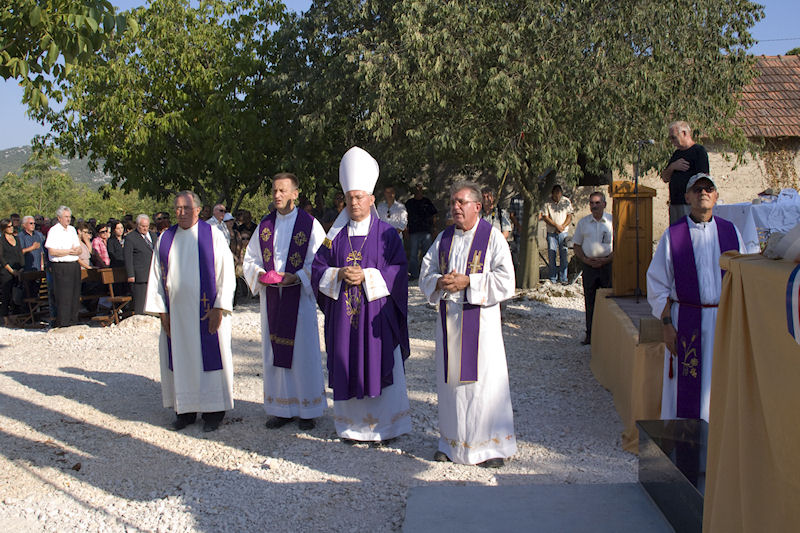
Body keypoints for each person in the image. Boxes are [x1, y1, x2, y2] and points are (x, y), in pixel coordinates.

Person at [311, 146, 412, 443]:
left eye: (359, 197)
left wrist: (367, 275)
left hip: (377, 320)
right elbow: (317, 269)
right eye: (349, 198)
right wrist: (339, 274)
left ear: (371, 199)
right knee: (346, 361)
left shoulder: (387, 234)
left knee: (380, 362)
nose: (354, 203)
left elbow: (399, 271)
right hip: (344, 321)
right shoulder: (333, 238)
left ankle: (386, 428)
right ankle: (351, 428)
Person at [419, 181, 517, 467]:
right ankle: (451, 443)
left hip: (481, 325)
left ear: (477, 206)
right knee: (452, 386)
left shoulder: (493, 237)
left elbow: (507, 281)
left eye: (461, 202)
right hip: (450, 322)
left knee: (484, 385)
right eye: (453, 202)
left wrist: (469, 282)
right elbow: (426, 272)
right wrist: (439, 281)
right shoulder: (444, 238)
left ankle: (489, 448)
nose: (455, 207)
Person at [646, 173, 745, 421]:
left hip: (724, 320)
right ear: (688, 197)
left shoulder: (731, 232)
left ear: (716, 196)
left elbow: (744, 280)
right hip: (687, 320)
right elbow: (658, 285)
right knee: (686, 382)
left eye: (708, 188)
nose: (703, 192)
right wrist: (667, 325)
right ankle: (685, 436)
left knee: (722, 379)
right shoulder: (674, 235)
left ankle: (718, 435)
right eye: (697, 189)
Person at [145, 191, 236, 432]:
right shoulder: (165, 238)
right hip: (176, 315)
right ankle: (184, 411)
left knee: (210, 361)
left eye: (186, 208)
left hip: (207, 313)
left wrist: (219, 306)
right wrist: (162, 312)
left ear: (198, 210)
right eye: (177, 208)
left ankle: (213, 412)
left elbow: (226, 273)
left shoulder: (213, 236)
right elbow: (156, 277)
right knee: (181, 360)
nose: (181, 212)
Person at [243, 172, 327, 430]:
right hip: (273, 298)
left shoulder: (310, 225)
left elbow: (321, 261)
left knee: (302, 353)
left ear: (295, 194)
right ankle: (281, 408)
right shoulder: (265, 225)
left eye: (282, 190)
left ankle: (307, 409)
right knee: (274, 352)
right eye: (274, 191)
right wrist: (260, 274)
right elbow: (250, 259)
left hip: (298, 298)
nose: (277, 195)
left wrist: (298, 277)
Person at [572, 192, 613, 345]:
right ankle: (590, 334)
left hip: (607, 266)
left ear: (604, 204)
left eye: (597, 203)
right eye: (591, 203)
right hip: (589, 267)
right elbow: (577, 245)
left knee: (608, 302)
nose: (594, 206)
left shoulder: (612, 222)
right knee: (590, 301)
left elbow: (620, 245)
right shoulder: (583, 223)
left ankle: (607, 335)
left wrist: (606, 260)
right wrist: (585, 260)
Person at [661, 121, 710, 224]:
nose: (672, 141)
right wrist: (672, 167)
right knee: (676, 232)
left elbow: (703, 179)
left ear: (684, 133)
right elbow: (665, 177)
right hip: (675, 203)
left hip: (690, 205)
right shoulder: (676, 154)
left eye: (673, 137)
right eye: (670, 138)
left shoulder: (698, 151)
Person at [44, 206, 82, 327]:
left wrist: (75, 251)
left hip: (74, 264)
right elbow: (52, 251)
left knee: (74, 294)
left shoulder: (72, 230)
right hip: (61, 266)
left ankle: (73, 320)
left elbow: (79, 248)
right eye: (65, 217)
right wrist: (68, 251)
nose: (68, 219)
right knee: (63, 295)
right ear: (59, 218)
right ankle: (63, 322)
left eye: (69, 217)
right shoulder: (54, 231)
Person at [540, 184, 573, 284]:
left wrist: (562, 226)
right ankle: (553, 278)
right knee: (552, 254)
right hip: (551, 232)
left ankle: (563, 278)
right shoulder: (547, 203)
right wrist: (555, 226)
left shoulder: (566, 201)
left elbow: (569, 216)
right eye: (555, 194)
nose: (557, 196)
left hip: (563, 232)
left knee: (564, 254)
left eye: (559, 194)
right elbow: (545, 217)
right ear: (552, 194)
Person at [124, 214, 157, 314]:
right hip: (140, 275)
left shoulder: (153, 235)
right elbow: (128, 257)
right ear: (137, 225)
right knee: (141, 302)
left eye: (147, 226)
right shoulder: (130, 238)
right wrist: (130, 274)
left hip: (153, 273)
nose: (145, 228)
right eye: (143, 226)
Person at [405, 183, 438, 281]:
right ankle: (414, 274)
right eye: (417, 190)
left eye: (420, 190)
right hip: (413, 232)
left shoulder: (427, 202)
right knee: (413, 255)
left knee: (427, 254)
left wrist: (434, 228)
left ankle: (427, 274)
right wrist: (406, 230)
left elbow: (434, 216)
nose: (418, 192)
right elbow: (405, 217)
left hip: (426, 231)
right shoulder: (409, 203)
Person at [1, 218, 24, 325]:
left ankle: (15, 317)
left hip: (18, 269)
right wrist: (11, 270)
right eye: (9, 226)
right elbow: (2, 258)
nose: (11, 228)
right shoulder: (2, 241)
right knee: (6, 295)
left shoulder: (16, 239)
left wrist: (22, 267)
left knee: (17, 295)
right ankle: (5, 318)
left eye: (12, 226)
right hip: (6, 271)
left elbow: (20, 253)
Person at [18, 215, 47, 299]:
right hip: (26, 268)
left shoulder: (38, 235)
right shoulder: (20, 236)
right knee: (27, 293)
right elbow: (19, 252)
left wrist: (42, 265)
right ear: (24, 225)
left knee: (36, 291)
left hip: (37, 267)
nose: (33, 225)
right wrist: (32, 248)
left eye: (34, 223)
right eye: (31, 223)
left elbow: (42, 252)